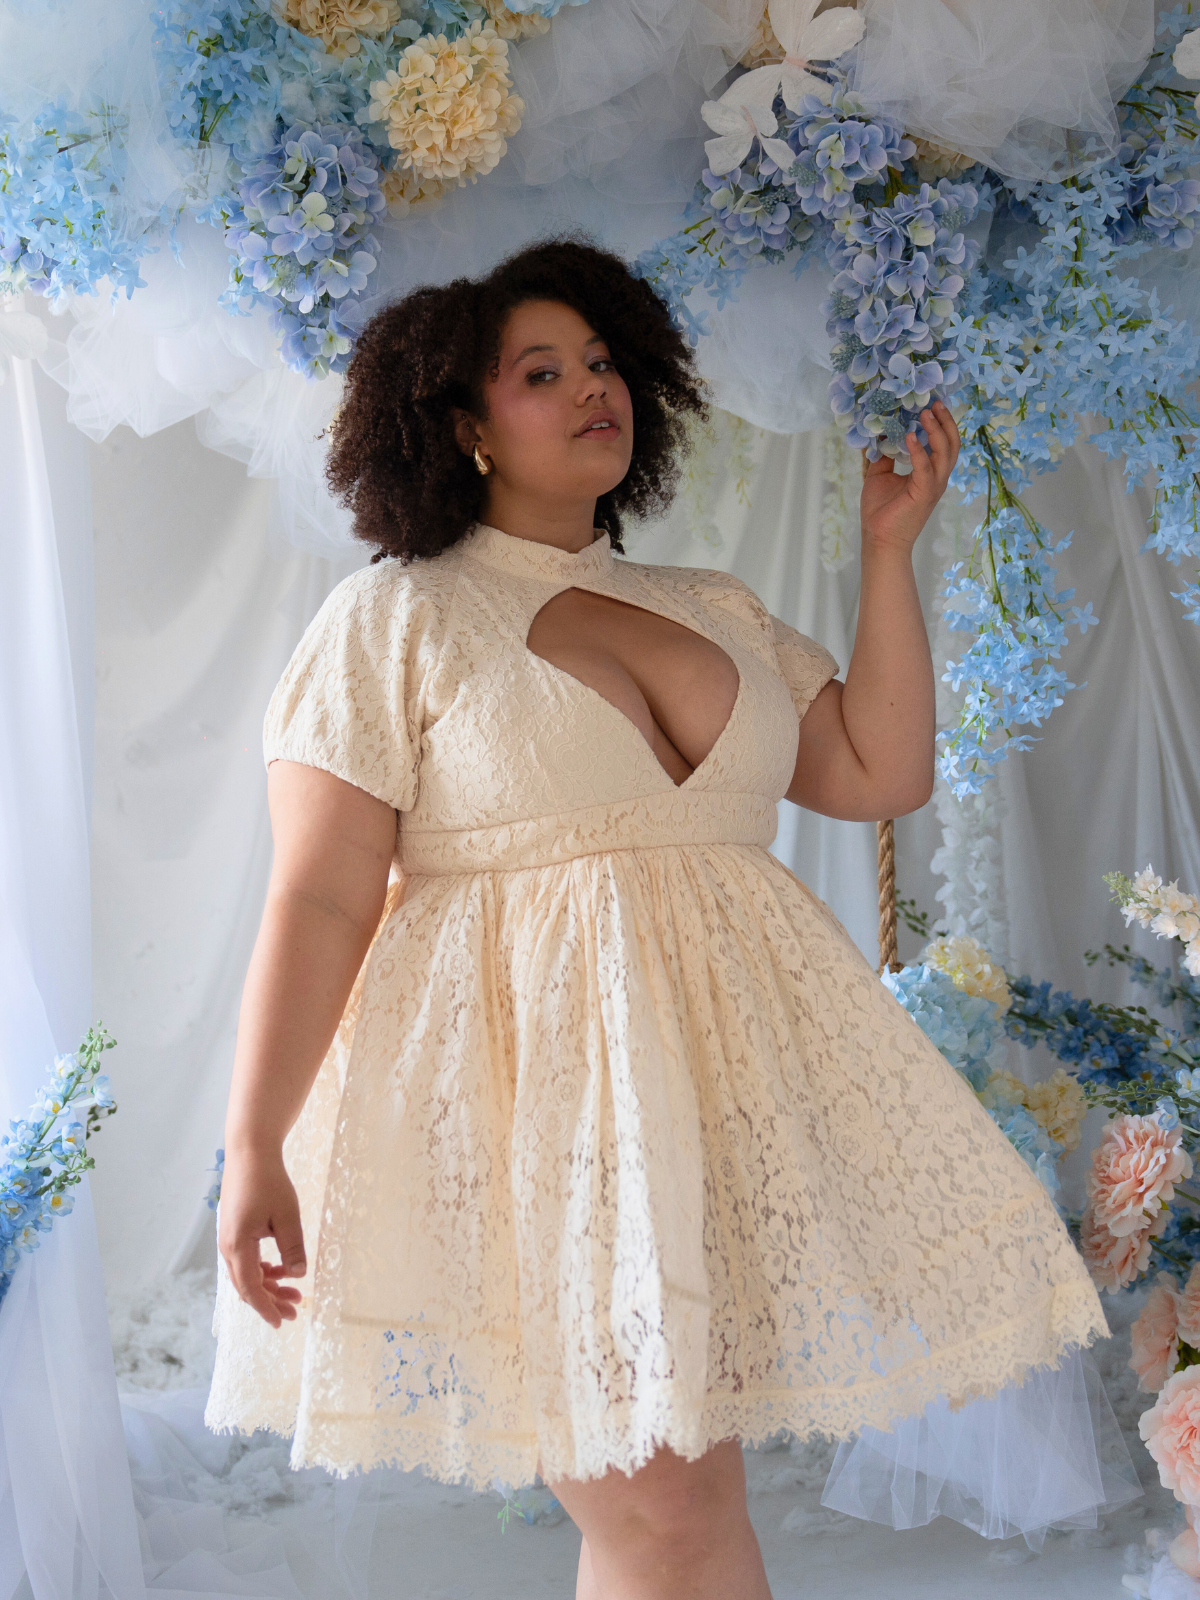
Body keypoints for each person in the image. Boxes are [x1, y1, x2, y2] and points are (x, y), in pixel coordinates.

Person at [204, 238, 1113, 1599]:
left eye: (606, 360)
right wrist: (254, 1138)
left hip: (712, 1099)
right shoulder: (395, 618)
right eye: (541, 372)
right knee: (664, 1513)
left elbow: (878, 770)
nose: (594, 389)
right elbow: (323, 892)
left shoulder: (709, 607)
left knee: (688, 1511)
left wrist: (885, 553)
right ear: (462, 427)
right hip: (542, 1113)